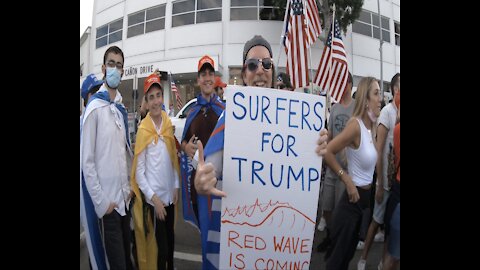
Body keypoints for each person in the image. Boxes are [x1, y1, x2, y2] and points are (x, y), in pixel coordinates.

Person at [192, 35, 329, 269]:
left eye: (267, 64)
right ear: (244, 73)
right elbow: (206, 170)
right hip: (241, 244)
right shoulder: (230, 118)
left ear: (273, 70)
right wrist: (201, 182)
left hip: (277, 244)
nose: (260, 70)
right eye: (252, 65)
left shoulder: (296, 119)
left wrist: (317, 145)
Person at [80, 45, 134, 270]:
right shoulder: (94, 109)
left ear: (123, 72)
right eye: (111, 64)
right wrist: (103, 204)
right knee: (115, 265)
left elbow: (124, 152)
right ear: (104, 68)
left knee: (126, 260)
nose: (114, 69)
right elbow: (87, 162)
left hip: (124, 202)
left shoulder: (120, 109)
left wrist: (129, 187)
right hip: (109, 207)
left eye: (119, 66)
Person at [321, 76, 381, 270]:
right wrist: (346, 179)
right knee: (336, 264)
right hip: (350, 206)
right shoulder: (355, 125)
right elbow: (328, 151)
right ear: (365, 100)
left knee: (345, 260)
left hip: (362, 205)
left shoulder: (370, 127)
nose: (380, 98)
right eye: (376, 93)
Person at [130, 73, 180, 270]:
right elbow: (139, 174)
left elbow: (173, 158)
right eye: (151, 97)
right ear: (146, 101)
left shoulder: (168, 124)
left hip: (170, 199)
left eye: (158, 95)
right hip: (156, 202)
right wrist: (155, 199)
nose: (156, 101)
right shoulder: (143, 130)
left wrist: (176, 185)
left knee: (171, 246)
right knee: (160, 250)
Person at [179, 55, 225, 265]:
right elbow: (184, 143)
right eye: (203, 74)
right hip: (199, 187)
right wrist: (185, 147)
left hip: (220, 187)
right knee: (206, 240)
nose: (207, 78)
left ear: (215, 78)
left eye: (210, 74)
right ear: (198, 80)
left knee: (222, 239)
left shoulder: (225, 111)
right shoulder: (192, 112)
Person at [357, 73, 400, 270]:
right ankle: (363, 258)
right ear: (394, 89)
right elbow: (379, 148)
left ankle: (383, 263)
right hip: (385, 182)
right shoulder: (387, 113)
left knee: (391, 227)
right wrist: (380, 185)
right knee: (375, 222)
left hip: (396, 183)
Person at [317, 72, 355, 252]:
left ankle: (338, 242)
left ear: (348, 83)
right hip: (332, 167)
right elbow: (330, 136)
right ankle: (331, 237)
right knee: (327, 207)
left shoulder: (357, 109)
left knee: (341, 209)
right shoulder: (335, 108)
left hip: (347, 171)